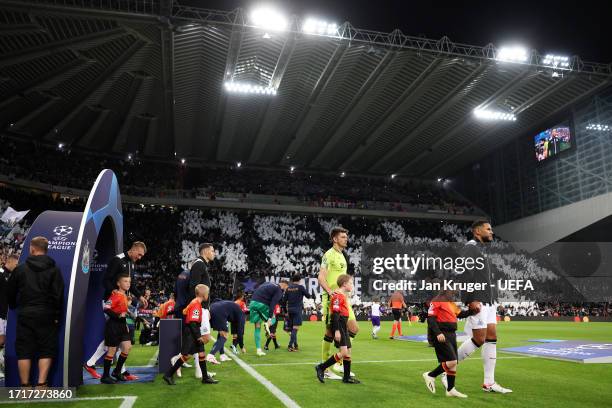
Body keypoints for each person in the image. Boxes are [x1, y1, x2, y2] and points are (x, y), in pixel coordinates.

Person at [448, 220, 512, 394]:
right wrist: (470, 299)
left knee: (491, 337)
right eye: (488, 229)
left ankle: (489, 383)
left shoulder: (481, 249)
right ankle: (446, 370)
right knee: (479, 338)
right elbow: (464, 274)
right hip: (478, 299)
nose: (492, 232)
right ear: (477, 231)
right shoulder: (470, 248)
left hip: (488, 299)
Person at [85, 242, 147, 380]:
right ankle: (99, 366)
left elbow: (132, 285)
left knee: (119, 338)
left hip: (122, 303)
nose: (140, 257)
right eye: (140, 254)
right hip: (111, 303)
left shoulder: (132, 263)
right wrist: (113, 291)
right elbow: (105, 280)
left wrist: (140, 296)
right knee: (114, 337)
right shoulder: (117, 260)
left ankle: (109, 368)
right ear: (134, 249)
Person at [7, 237, 64, 388]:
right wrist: (57, 316)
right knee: (46, 350)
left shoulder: (20, 268)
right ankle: (41, 385)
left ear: (32, 249)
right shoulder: (54, 269)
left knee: (24, 350)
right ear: (46, 249)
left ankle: (25, 386)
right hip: (47, 315)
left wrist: (14, 305)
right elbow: (58, 295)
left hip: (25, 314)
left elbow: (10, 292)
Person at [318, 227, 358, 380]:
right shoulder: (329, 255)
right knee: (329, 331)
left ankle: (339, 360)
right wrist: (329, 291)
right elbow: (321, 277)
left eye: (346, 236)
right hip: (332, 298)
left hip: (343, 298)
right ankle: (325, 367)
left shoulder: (342, 255)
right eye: (342, 237)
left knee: (354, 328)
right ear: (335, 239)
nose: (345, 239)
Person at [422, 290, 475, 398]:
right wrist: (438, 333)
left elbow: (460, 314)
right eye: (453, 292)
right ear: (445, 291)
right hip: (442, 334)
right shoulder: (436, 301)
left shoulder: (450, 303)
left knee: (453, 363)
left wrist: (472, 311)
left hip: (451, 334)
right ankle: (430, 375)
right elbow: (431, 319)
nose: (454, 294)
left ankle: (450, 389)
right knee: (452, 361)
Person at [163, 284, 218, 385]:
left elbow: (185, 312)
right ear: (203, 294)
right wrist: (198, 337)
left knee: (201, 354)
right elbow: (193, 322)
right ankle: (168, 374)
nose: (208, 295)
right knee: (186, 356)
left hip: (193, 331)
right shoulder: (196, 304)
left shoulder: (194, 302)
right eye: (208, 293)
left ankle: (205, 378)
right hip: (192, 332)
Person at [315, 274, 360, 384]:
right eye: (351, 283)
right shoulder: (338, 296)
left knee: (348, 352)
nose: (352, 285)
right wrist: (337, 330)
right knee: (344, 352)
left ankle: (346, 377)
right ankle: (321, 367)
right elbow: (335, 314)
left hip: (343, 325)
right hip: (339, 325)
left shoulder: (342, 295)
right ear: (344, 284)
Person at [100, 274, 132, 384]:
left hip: (122, 325)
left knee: (127, 347)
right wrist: (118, 316)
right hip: (113, 325)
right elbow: (106, 308)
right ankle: (105, 376)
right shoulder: (115, 295)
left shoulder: (125, 296)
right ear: (119, 283)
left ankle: (117, 372)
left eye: (129, 281)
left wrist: (125, 323)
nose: (128, 283)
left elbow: (123, 311)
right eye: (125, 281)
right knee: (112, 350)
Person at [249, 280, 288, 356]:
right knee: (273, 318)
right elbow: (273, 303)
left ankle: (259, 350)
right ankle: (267, 324)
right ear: (284, 285)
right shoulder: (279, 290)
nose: (285, 289)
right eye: (286, 287)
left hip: (253, 303)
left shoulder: (267, 283)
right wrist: (270, 318)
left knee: (257, 327)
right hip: (262, 304)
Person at [0, 254, 19, 379]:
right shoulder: (1, 274)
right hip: (1, 313)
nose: (17, 267)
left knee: (4, 341)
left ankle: (3, 365)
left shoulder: (12, 275)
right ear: (10, 261)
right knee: (1, 340)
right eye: (16, 264)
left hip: (7, 313)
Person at [282, 274, 309, 351]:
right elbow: (308, 296)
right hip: (297, 310)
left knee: (293, 329)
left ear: (292, 280)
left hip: (290, 310)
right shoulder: (301, 287)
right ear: (299, 280)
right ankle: (290, 346)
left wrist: (285, 311)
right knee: (295, 329)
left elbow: (283, 302)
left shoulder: (288, 288)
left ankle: (296, 345)